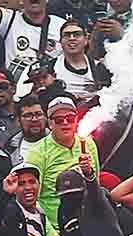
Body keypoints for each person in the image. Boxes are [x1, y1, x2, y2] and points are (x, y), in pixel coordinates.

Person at [25, 96, 99, 227]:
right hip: (57, 225)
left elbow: (96, 185)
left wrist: (89, 173)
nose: (65, 123)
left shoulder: (88, 143)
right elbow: (31, 201)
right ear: (49, 123)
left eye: (70, 119)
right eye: (59, 120)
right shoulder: (36, 153)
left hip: (90, 220)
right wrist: (51, 235)